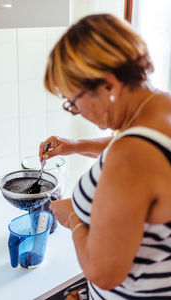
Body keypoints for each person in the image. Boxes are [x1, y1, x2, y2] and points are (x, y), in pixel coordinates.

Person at [39, 13, 171, 299]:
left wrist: (73, 216)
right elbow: (137, 145)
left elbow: (105, 274)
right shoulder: (160, 109)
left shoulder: (131, 159)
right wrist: (75, 145)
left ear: (109, 85)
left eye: (73, 102)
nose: (77, 111)